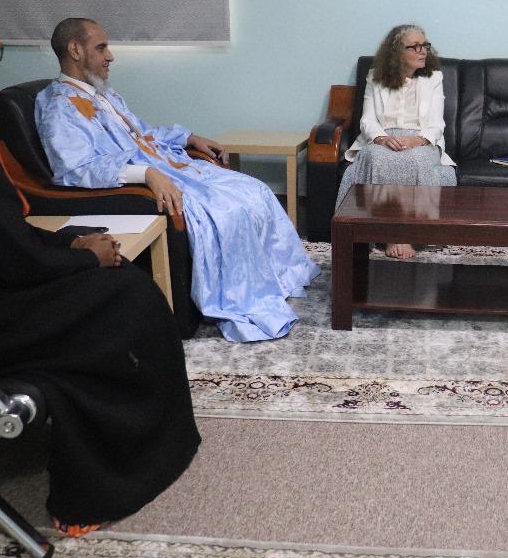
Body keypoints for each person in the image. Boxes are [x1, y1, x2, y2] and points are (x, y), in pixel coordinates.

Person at [0, 0, 200, 536]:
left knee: (117, 286)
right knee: (123, 298)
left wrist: (69, 245)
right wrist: (82, 256)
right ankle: (103, 483)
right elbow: (2, 254)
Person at [35, 18, 319, 342]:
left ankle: (278, 278)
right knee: (228, 211)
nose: (110, 56)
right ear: (75, 50)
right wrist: (146, 173)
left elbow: (143, 133)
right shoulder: (59, 106)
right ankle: (244, 296)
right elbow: (74, 168)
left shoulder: (104, 95)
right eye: (101, 48)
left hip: (168, 166)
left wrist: (189, 137)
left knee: (255, 191)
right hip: (142, 182)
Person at [337, 24, 455, 259]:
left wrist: (417, 140)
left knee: (417, 161)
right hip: (383, 137)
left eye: (425, 45)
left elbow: (436, 124)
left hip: (421, 140)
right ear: (398, 51)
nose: (423, 51)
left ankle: (410, 234)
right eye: (416, 46)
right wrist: (382, 138)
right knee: (377, 158)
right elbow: (368, 120)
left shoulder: (434, 78)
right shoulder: (375, 77)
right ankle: (386, 233)